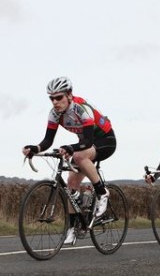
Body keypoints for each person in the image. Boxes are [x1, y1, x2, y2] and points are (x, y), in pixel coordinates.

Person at [22, 77, 116, 245]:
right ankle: (72, 228)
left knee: (79, 156)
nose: (55, 102)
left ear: (69, 95)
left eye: (59, 97)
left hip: (105, 140)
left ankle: (102, 193)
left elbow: (87, 141)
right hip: (85, 144)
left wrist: (71, 148)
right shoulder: (54, 114)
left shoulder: (81, 109)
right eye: (52, 98)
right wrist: (34, 148)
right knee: (71, 184)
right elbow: (47, 141)